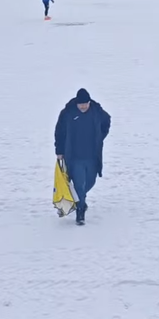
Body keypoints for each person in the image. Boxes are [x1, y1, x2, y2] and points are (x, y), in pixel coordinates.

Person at [54, 88, 112, 226]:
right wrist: (59, 151)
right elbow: (59, 133)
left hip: (92, 155)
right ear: (77, 104)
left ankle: (80, 199)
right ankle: (80, 211)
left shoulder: (96, 111)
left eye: (86, 104)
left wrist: (100, 137)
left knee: (90, 181)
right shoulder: (67, 113)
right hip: (74, 156)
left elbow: (107, 121)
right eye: (81, 104)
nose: (83, 106)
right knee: (79, 183)